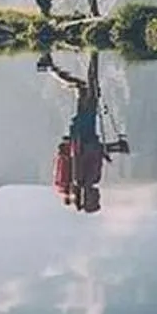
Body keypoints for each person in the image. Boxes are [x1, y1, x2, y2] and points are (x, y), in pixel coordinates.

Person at [40, 50, 129, 213]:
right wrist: (113, 149)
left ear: (87, 198)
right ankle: (52, 67)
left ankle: (93, 54)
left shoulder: (78, 179)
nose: (98, 196)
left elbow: (83, 151)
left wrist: (114, 147)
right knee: (85, 90)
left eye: (95, 199)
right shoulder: (93, 179)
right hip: (88, 133)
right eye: (98, 198)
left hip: (82, 133)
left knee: (89, 92)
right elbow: (96, 151)